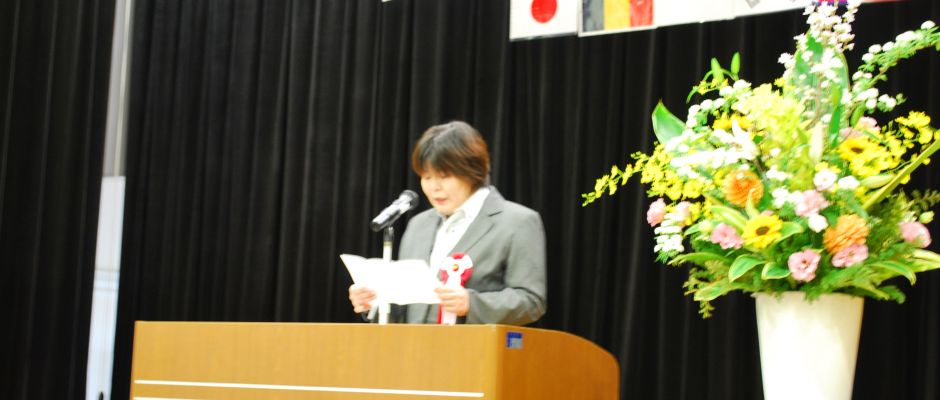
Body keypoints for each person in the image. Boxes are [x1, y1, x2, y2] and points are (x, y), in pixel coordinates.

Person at [348, 121, 547, 325]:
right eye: (427, 177)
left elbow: (531, 301)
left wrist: (472, 304)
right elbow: (408, 309)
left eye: (444, 176)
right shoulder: (418, 225)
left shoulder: (517, 221)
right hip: (413, 345)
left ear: (472, 172)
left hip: (474, 344)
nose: (434, 187)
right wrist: (374, 302)